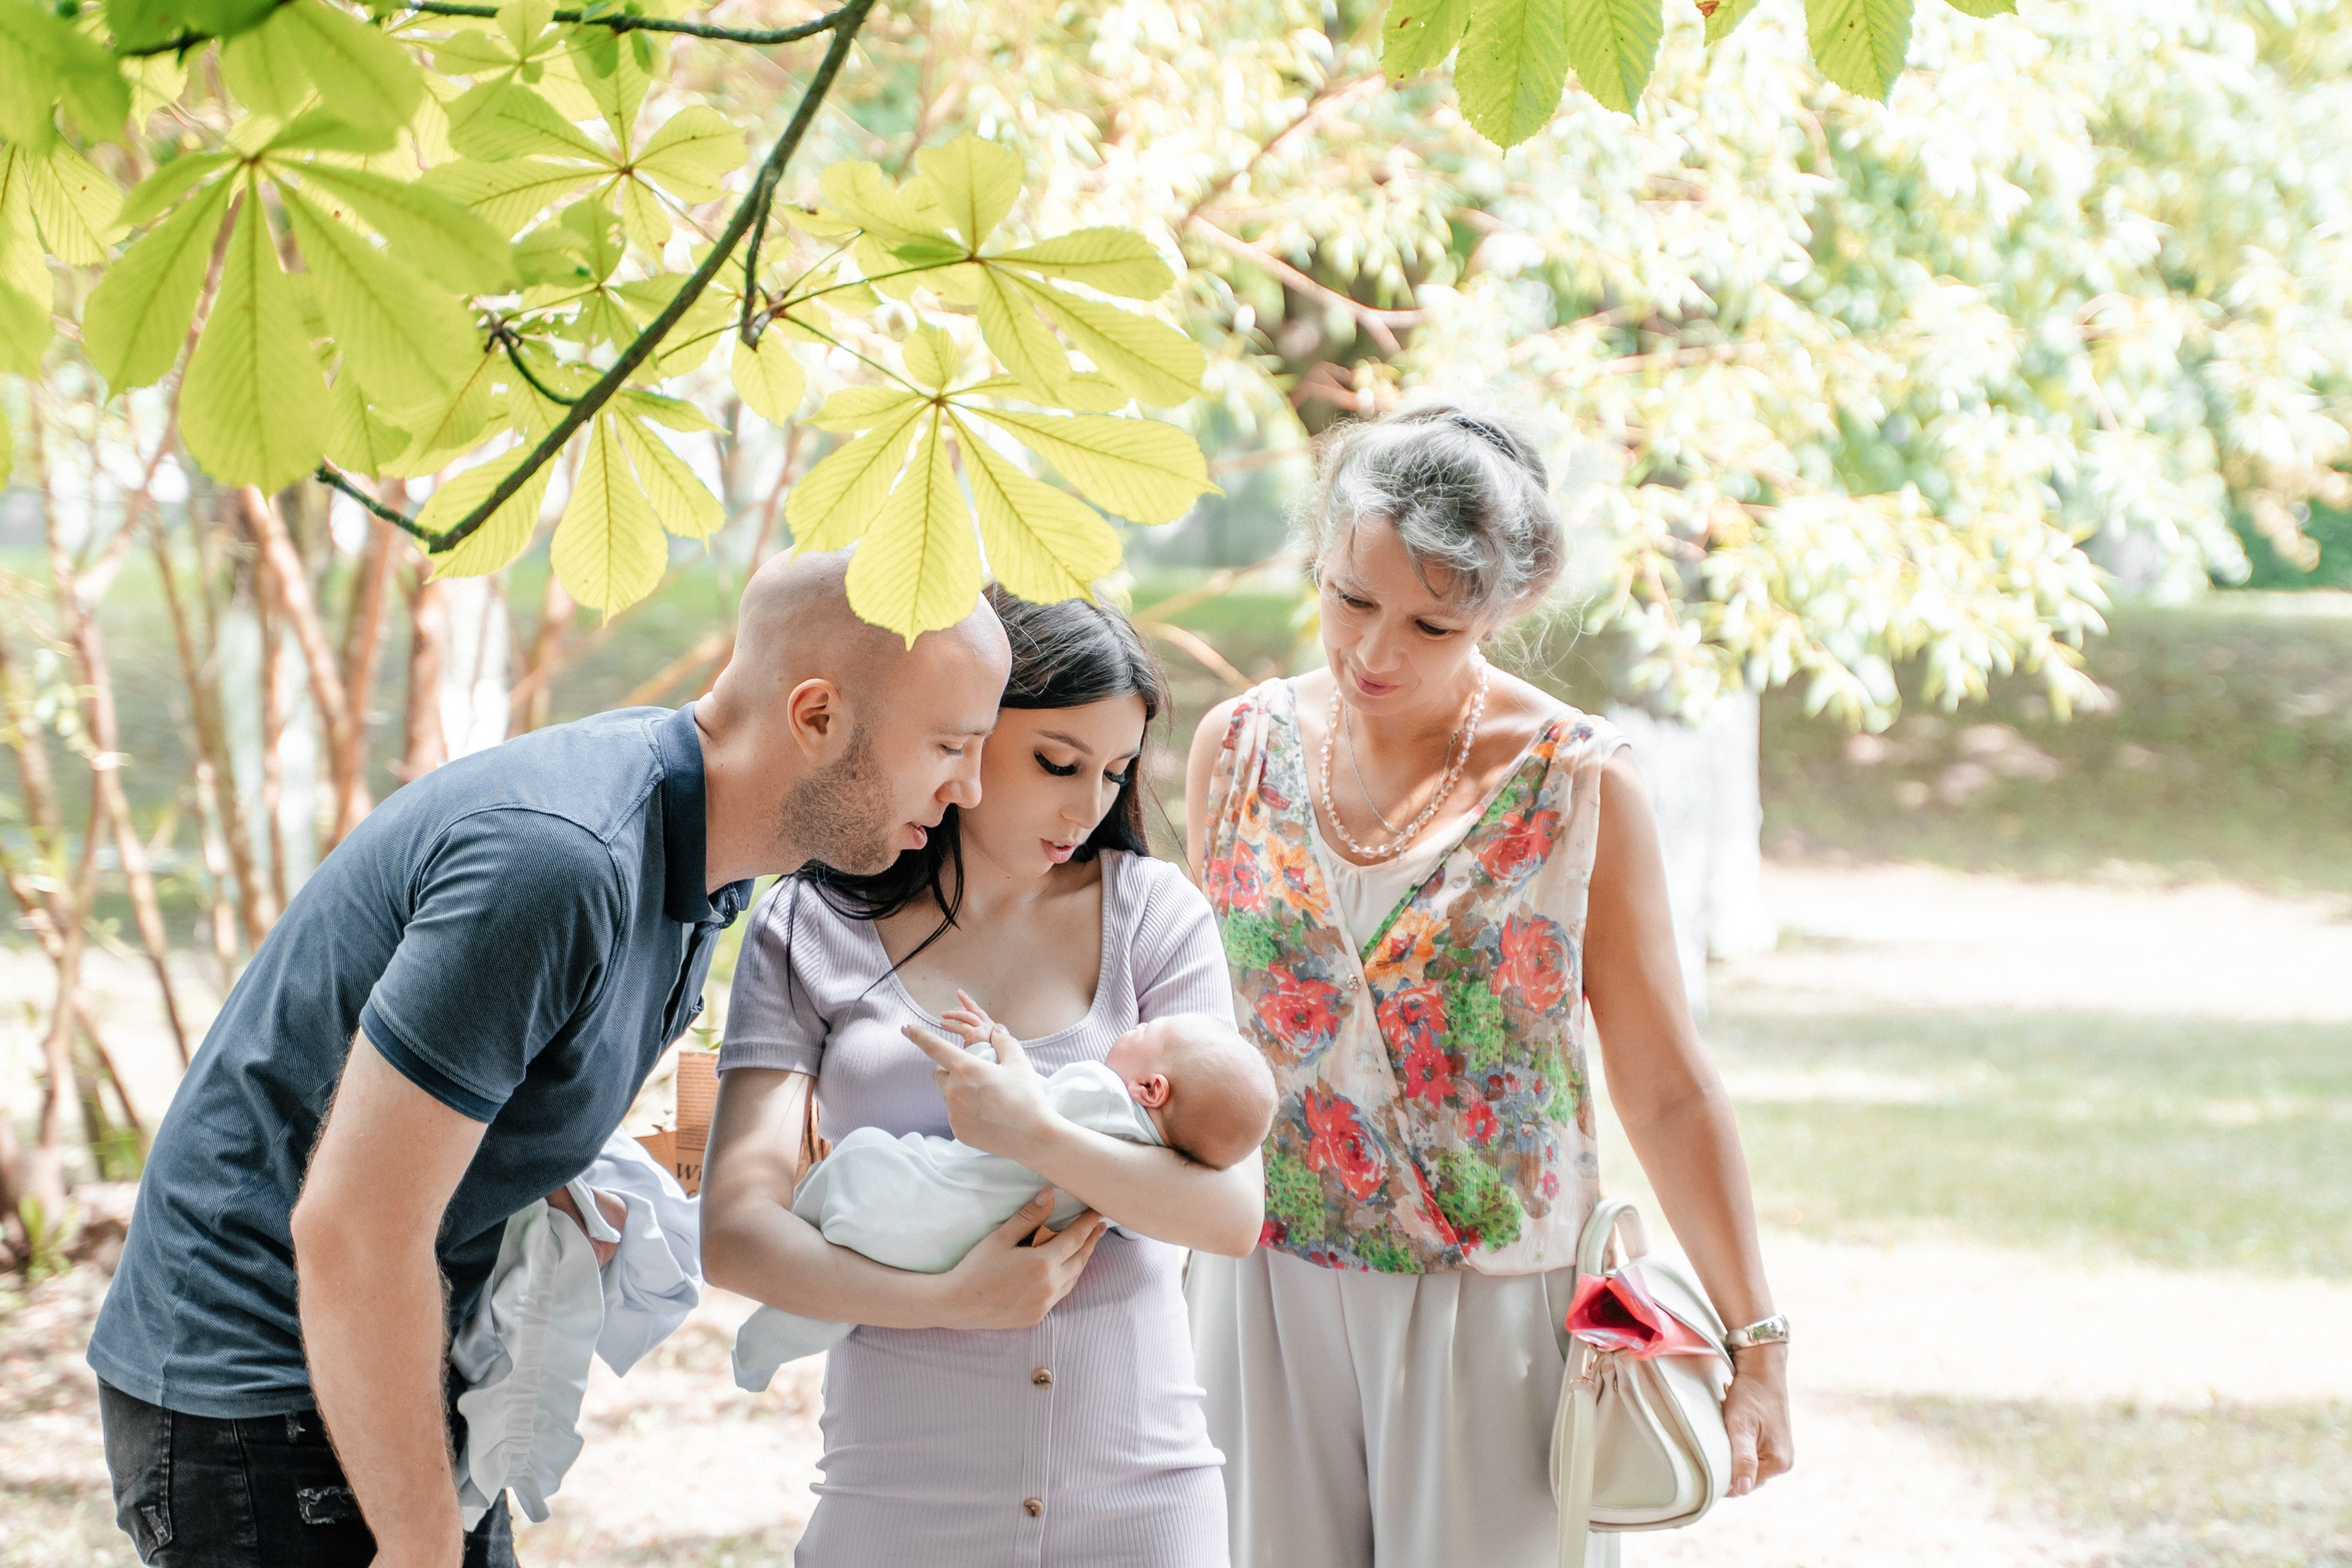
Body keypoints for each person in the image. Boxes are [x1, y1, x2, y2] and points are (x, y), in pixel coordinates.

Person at [85, 550, 1011, 1568]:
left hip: (383, 1362)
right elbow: (352, 1226)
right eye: (950, 746)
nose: (968, 787)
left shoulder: (697, 850)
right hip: (258, 1393)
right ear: (818, 717)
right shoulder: (560, 862)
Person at [1183, 403, 1797, 1568]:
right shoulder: (1239, 746)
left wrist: (1756, 1347)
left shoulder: (1579, 785)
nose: (1374, 653)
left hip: (1493, 1315)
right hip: (1257, 1290)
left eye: (1429, 622)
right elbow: (1184, 1030)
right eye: (1349, 599)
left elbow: (1664, 1085)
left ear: (1505, 608)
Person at [702, 587, 1261, 1568]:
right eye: (1056, 762)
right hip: (897, 1491)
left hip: (1142, 1495)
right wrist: (956, 1299)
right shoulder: (810, 923)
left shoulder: (1155, 917)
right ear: (965, 729)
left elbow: (1228, 1217)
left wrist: (1033, 1134)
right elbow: (736, 1234)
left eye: (1113, 773)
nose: (1085, 808)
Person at [729, 1000, 1273, 1385]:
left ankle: (779, 1306)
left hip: (923, 1195)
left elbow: (1014, 1105)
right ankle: (765, 1345)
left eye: (1149, 1030)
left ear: (1151, 1088)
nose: (1137, 1026)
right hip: (961, 1248)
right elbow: (1146, 1215)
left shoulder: (1101, 1094)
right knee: (834, 1298)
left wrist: (995, 1046)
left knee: (857, 1161)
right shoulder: (1143, 1180)